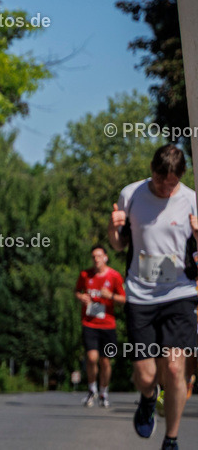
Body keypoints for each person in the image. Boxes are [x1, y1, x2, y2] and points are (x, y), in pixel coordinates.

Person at [108, 144, 198, 450]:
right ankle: (147, 399)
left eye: (171, 184)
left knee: (175, 369)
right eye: (160, 181)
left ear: (181, 178)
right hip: (140, 295)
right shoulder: (131, 195)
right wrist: (113, 228)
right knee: (146, 375)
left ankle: (171, 439)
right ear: (151, 171)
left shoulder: (191, 201)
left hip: (180, 292)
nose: (165, 188)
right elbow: (119, 246)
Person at [74, 244, 126, 407]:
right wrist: (81, 297)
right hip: (89, 322)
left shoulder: (114, 276)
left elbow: (123, 299)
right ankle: (92, 389)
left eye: (99, 256)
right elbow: (77, 291)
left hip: (108, 324)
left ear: (105, 257)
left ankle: (104, 392)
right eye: (93, 256)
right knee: (91, 358)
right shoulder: (85, 275)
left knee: (105, 361)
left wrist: (109, 295)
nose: (96, 259)